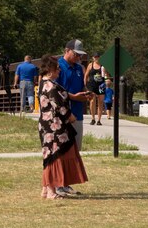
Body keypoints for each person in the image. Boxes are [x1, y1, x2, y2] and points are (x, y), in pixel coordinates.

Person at [37, 54, 88, 198]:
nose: (59, 71)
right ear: (50, 69)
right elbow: (59, 106)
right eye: (57, 68)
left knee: (50, 156)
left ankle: (46, 188)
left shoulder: (43, 83)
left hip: (47, 126)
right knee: (55, 156)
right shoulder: (51, 86)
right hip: (54, 127)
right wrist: (71, 117)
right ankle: (52, 190)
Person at [55, 39, 93, 198]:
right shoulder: (58, 67)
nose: (78, 57)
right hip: (62, 115)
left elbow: (80, 88)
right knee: (61, 149)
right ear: (67, 50)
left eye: (80, 55)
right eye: (76, 54)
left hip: (77, 114)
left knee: (75, 150)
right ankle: (58, 184)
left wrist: (86, 93)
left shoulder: (80, 68)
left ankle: (66, 183)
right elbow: (55, 91)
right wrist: (73, 97)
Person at [84, 54, 110, 125]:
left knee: (100, 102)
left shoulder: (103, 66)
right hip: (91, 86)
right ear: (93, 58)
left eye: (98, 57)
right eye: (95, 57)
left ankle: (99, 120)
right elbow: (86, 75)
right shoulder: (90, 65)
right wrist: (85, 85)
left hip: (101, 86)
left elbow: (106, 76)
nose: (96, 58)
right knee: (92, 101)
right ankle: (93, 118)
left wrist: (106, 78)